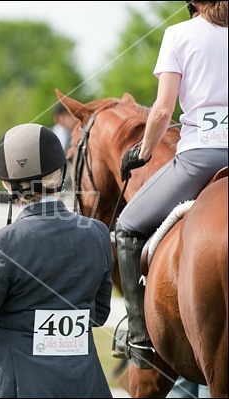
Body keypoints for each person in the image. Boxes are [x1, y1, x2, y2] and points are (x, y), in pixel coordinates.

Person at [0, 123, 115, 398]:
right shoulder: (97, 233)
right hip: (86, 385)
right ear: (60, 174)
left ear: (7, 183)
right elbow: (98, 315)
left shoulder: (2, 245)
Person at [111, 0, 228, 369]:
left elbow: (162, 110)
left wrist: (144, 152)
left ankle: (140, 337)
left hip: (200, 158)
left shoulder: (178, 35)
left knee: (127, 227)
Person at [52, 101, 78, 203]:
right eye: (70, 115)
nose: (75, 119)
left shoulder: (73, 134)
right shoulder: (55, 136)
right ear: (60, 118)